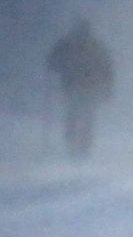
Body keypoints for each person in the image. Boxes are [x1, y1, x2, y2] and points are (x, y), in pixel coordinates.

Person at [46, 19, 114, 158]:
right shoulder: (94, 46)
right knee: (84, 117)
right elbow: (107, 68)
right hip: (86, 88)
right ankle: (81, 146)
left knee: (75, 115)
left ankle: (75, 145)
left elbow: (52, 62)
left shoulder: (68, 45)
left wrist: (56, 66)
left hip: (75, 87)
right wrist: (108, 87)